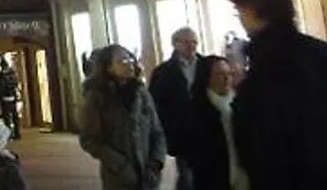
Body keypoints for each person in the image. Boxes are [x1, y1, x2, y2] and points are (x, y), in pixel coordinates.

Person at [225, 0, 327, 189]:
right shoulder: (318, 51)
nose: (240, 19)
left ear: (254, 9)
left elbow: (265, 149)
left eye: (239, 10)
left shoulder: (266, 69)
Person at [79, 44, 166, 190]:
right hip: (119, 177)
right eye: (122, 61)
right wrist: (120, 166)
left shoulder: (141, 93)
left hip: (149, 175)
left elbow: (157, 131)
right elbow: (89, 140)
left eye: (131, 60)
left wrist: (156, 162)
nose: (130, 64)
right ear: (109, 67)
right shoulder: (97, 98)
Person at [183, 55, 246, 190]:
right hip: (212, 178)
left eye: (229, 74)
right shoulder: (197, 109)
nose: (226, 79)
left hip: (242, 176)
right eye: (220, 74)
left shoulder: (239, 103)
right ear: (207, 77)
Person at [148, 27, 200, 190]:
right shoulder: (163, 72)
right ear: (175, 44)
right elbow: (155, 103)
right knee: (186, 174)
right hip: (181, 131)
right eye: (186, 42)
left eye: (194, 42)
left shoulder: (206, 65)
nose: (191, 46)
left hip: (207, 128)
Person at [0, 58, 22, 140]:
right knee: (15, 116)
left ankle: (8, 134)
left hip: (5, 98)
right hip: (12, 97)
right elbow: (16, 84)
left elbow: (0, 87)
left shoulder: (1, 75)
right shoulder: (13, 74)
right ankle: (17, 134)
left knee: (7, 118)